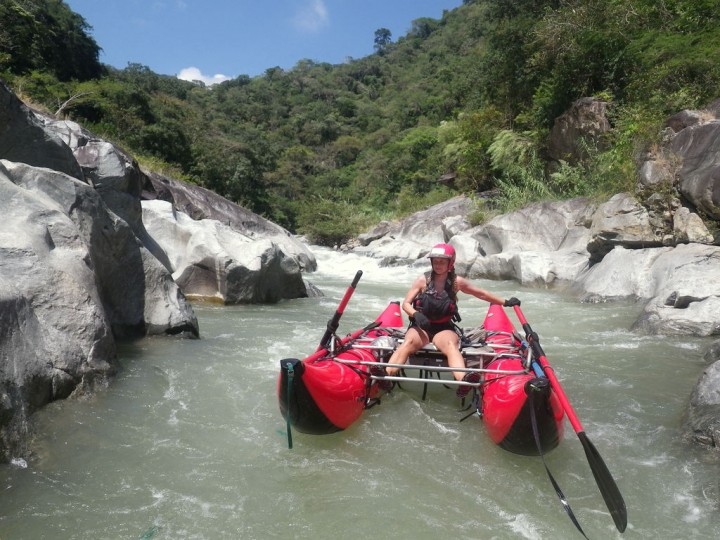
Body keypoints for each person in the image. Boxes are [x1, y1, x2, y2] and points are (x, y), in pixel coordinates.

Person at [385, 243, 521, 397]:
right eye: (435, 261)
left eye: (442, 262)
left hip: (443, 328)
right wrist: (416, 315)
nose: (438, 265)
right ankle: (386, 376)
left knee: (451, 345)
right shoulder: (422, 280)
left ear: (450, 263)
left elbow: (481, 293)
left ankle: (464, 382)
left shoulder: (457, 282)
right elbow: (406, 304)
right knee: (408, 343)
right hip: (421, 326)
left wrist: (505, 302)